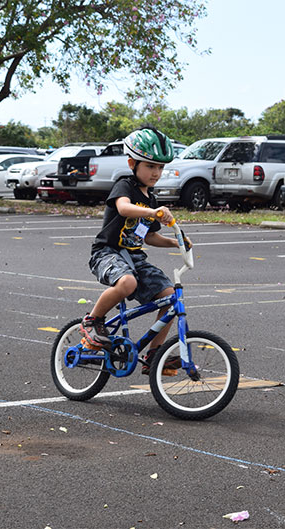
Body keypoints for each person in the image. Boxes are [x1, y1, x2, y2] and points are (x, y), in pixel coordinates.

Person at [81, 126, 191, 374]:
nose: (156, 173)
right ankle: (93, 320)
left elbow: (150, 236)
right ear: (132, 163)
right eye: (150, 166)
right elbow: (123, 208)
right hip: (107, 252)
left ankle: (154, 355)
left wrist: (176, 242)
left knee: (169, 296)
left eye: (160, 168)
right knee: (127, 283)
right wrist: (153, 212)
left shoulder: (150, 198)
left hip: (134, 257)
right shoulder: (125, 185)